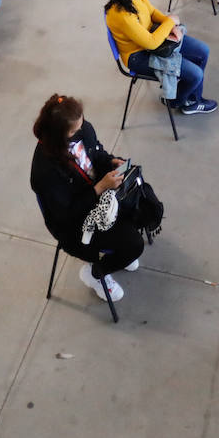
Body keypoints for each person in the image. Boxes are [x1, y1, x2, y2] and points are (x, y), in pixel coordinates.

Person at [29, 93, 142, 302]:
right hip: (76, 225)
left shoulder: (81, 129)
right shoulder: (45, 172)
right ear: (57, 135)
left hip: (98, 197)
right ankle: (95, 274)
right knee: (134, 245)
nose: (81, 130)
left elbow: (96, 153)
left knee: (142, 204)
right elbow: (66, 215)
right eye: (74, 130)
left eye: (80, 124)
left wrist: (111, 162)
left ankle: (118, 254)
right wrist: (100, 188)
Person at [104, 0, 215, 115]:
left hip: (152, 36)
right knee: (196, 75)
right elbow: (151, 43)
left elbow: (152, 12)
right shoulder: (122, 15)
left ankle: (191, 97)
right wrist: (170, 21)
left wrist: (172, 26)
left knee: (203, 51)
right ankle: (179, 101)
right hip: (138, 55)